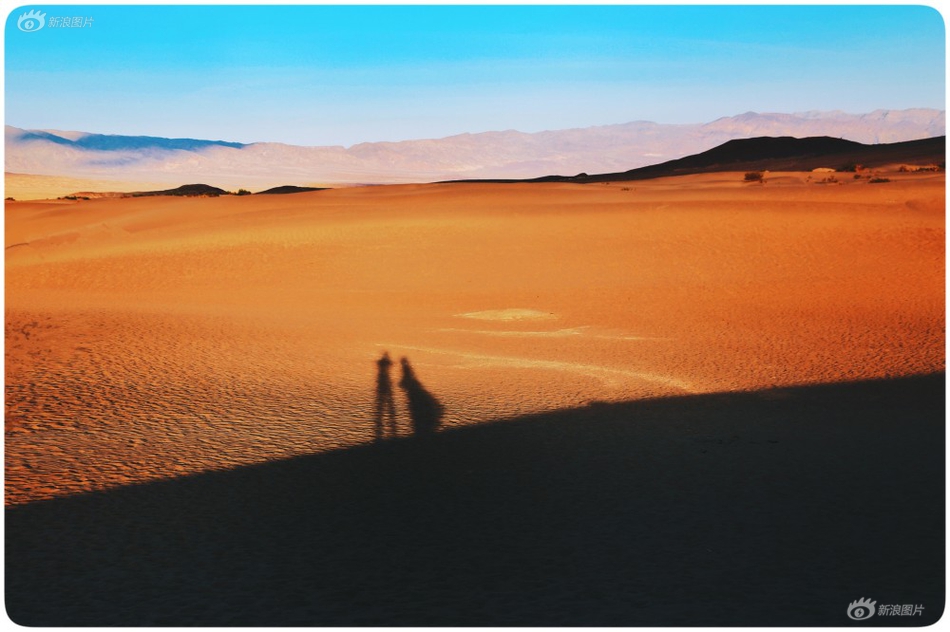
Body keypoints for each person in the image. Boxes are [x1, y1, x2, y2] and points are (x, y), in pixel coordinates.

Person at [373, 352, 397, 440]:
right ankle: (390, 415)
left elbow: (379, 363)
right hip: (386, 383)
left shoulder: (380, 362)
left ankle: (381, 415)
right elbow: (391, 363)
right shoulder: (386, 363)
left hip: (381, 383)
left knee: (381, 401)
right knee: (389, 400)